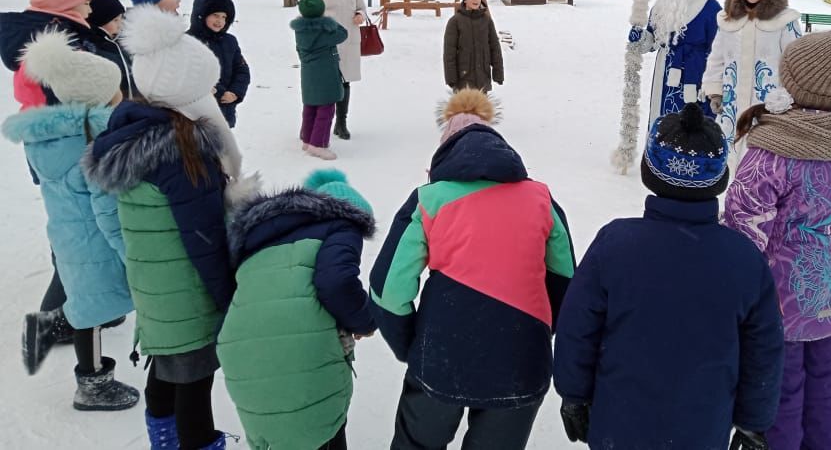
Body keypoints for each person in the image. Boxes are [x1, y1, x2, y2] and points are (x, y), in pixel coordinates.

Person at [553, 103, 784, 449]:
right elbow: (763, 349)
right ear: (719, 180)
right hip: (702, 429)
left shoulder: (615, 245)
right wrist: (754, 422)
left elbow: (577, 327)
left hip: (618, 424)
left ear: (649, 172)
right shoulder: (744, 259)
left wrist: (573, 393)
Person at [369, 88, 576, 450]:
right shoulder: (542, 199)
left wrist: (411, 346)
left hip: (441, 355)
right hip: (521, 359)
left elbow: (389, 291)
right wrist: (540, 331)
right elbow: (565, 280)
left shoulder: (428, 200)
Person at [82, 5, 241, 450]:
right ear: (188, 94)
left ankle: (163, 438)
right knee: (193, 380)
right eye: (205, 86)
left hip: (154, 284)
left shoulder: (130, 133)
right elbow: (205, 239)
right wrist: (228, 296)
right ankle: (196, 441)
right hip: (187, 288)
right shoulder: (183, 153)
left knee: (166, 365)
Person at [722, 30, 831, 450]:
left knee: (781, 385)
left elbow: (743, 223)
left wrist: (737, 295)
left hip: (776, 300)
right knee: (825, 381)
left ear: (794, 82)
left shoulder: (773, 149)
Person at [3, 30, 138, 411]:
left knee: (83, 303)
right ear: (97, 95)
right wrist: (129, 250)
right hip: (94, 239)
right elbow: (105, 204)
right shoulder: (95, 138)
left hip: (66, 233)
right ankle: (93, 384)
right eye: (115, 89)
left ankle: (67, 334)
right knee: (91, 312)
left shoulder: (51, 135)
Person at [218, 168, 377, 450]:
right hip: (299, 348)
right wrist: (365, 320)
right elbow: (337, 282)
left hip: (241, 352)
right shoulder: (342, 225)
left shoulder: (259, 241)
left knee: (284, 433)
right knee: (320, 427)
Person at [0, 0, 100, 338]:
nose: (90, 8)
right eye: (86, 0)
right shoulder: (58, 43)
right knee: (79, 232)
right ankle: (55, 321)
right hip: (66, 145)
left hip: (46, 143)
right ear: (64, 3)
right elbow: (72, 97)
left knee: (73, 227)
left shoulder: (39, 35)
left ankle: (80, 307)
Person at [703, 0, 801, 160]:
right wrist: (715, 92)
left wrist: (789, 98)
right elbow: (717, 58)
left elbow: (796, 62)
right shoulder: (727, 20)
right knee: (730, 153)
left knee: (761, 157)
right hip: (732, 104)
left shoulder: (784, 20)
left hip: (768, 104)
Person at [628, 0, 722, 124]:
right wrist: (640, 38)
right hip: (665, 70)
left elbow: (719, 49)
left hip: (696, 73)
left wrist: (714, 85)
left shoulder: (710, 7)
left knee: (691, 123)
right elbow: (652, 41)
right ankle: (658, 149)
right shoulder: (661, 6)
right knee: (663, 118)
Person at [305, 0, 367, 140]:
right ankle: (318, 123)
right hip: (326, 42)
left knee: (345, 81)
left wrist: (360, 15)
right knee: (326, 84)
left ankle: (342, 122)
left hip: (349, 40)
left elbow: (362, 7)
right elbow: (308, 12)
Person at [292, 0, 348, 160]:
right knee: (326, 109)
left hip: (309, 74)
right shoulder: (324, 31)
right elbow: (343, 33)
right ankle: (318, 144)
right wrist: (328, 22)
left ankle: (308, 139)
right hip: (326, 74)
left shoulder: (300, 30)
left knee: (310, 107)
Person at [187, 0, 250, 128]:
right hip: (197, 115)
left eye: (224, 17)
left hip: (225, 111)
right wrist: (219, 92)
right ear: (202, 14)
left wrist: (235, 92)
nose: (220, 21)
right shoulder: (187, 42)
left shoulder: (230, 41)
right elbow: (190, 75)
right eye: (215, 15)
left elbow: (241, 69)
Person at [442, 0, 504, 92]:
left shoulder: (487, 21)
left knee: (480, 109)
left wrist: (498, 73)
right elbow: (449, 53)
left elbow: (495, 48)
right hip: (463, 80)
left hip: (483, 79)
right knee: (465, 110)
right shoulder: (455, 22)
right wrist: (451, 78)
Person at [87, 0, 135, 98]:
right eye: (115, 20)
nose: (120, 25)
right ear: (98, 21)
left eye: (121, 19)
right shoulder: (96, 51)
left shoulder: (116, 45)